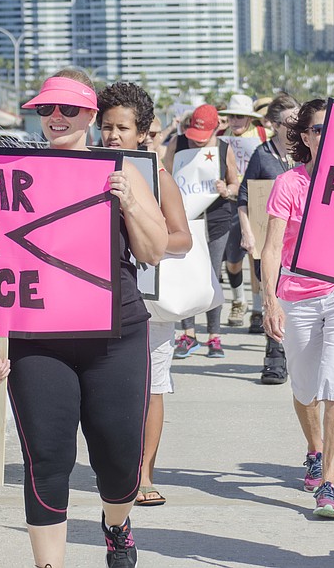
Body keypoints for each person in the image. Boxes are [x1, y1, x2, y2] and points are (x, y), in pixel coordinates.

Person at [0, 69, 168, 568]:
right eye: (46, 110)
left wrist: (127, 201)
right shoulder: (14, 174)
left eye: (68, 109)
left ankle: (116, 523)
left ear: (91, 115)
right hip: (37, 337)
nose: (56, 118)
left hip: (117, 336)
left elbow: (153, 252)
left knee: (119, 462)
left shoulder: (124, 171)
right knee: (47, 461)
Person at [261, 98, 334, 519]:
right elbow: (272, 249)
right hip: (297, 295)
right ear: (304, 136)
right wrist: (270, 301)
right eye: (317, 129)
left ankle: (330, 484)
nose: (325, 135)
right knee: (306, 389)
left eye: (332, 128)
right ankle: (314, 449)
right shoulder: (289, 183)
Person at [97, 81, 193, 508]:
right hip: (99, 298)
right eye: (106, 126)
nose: (113, 135)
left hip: (148, 300)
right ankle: (117, 468)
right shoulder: (87, 168)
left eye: (122, 128)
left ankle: (146, 472)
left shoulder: (158, 176)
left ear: (143, 132)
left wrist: (144, 238)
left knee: (151, 388)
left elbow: (183, 239)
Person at [164, 104, 240, 358]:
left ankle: (214, 336)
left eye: (202, 138)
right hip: (185, 218)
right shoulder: (178, 142)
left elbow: (235, 184)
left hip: (217, 219)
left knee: (212, 276)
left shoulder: (223, 149)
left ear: (215, 129)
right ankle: (188, 334)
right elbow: (165, 173)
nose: (197, 143)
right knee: (188, 274)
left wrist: (225, 190)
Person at [237, 92, 300, 384]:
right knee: (272, 294)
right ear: (275, 125)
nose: (296, 126)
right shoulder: (263, 155)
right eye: (290, 121)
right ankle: (274, 358)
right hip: (270, 239)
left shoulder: (306, 154)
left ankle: (295, 354)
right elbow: (245, 196)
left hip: (300, 243)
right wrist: (248, 232)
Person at [219, 94, 268, 328]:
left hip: (257, 201)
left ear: (249, 119)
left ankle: (257, 309)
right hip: (230, 202)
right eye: (231, 116)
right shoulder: (219, 140)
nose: (235, 120)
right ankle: (239, 300)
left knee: (256, 258)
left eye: (239, 116)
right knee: (232, 260)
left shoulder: (262, 137)